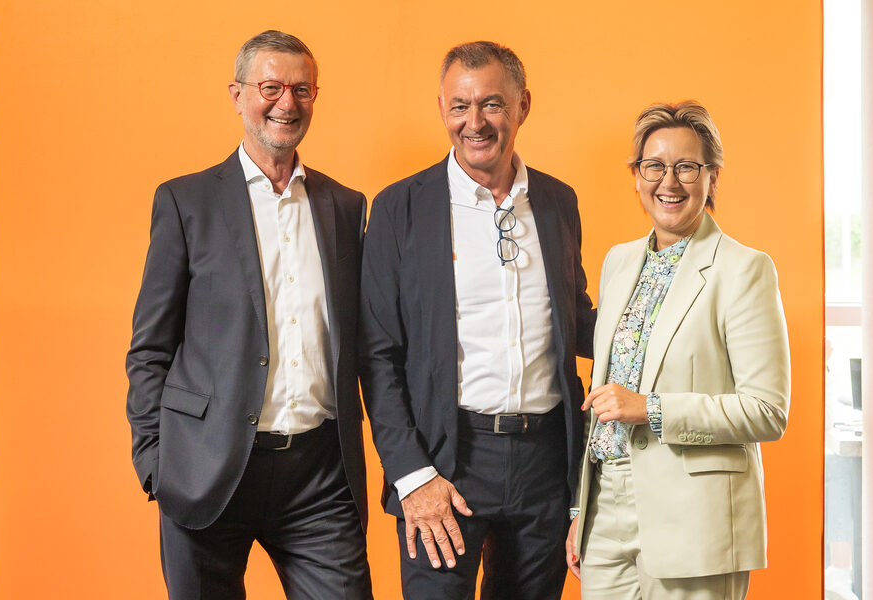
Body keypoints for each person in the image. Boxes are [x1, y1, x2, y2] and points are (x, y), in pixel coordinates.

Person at [125, 30, 372, 600]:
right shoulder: (186, 202)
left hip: (318, 474)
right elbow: (150, 347)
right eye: (270, 88)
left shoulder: (345, 206)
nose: (287, 102)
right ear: (237, 95)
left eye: (301, 89)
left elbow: (362, 341)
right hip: (206, 465)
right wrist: (154, 461)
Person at [359, 40, 596, 599]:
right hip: (446, 459)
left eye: (492, 103)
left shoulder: (558, 201)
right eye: (460, 105)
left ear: (523, 106)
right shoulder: (401, 208)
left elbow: (575, 317)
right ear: (442, 109)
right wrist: (413, 477)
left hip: (546, 462)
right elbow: (378, 355)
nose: (475, 122)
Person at [566, 101, 791, 599]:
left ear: (711, 176)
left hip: (696, 513)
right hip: (606, 509)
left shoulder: (744, 269)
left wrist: (651, 408)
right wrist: (582, 509)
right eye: (654, 166)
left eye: (687, 166)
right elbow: (604, 389)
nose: (669, 181)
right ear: (637, 176)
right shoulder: (618, 262)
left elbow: (767, 411)